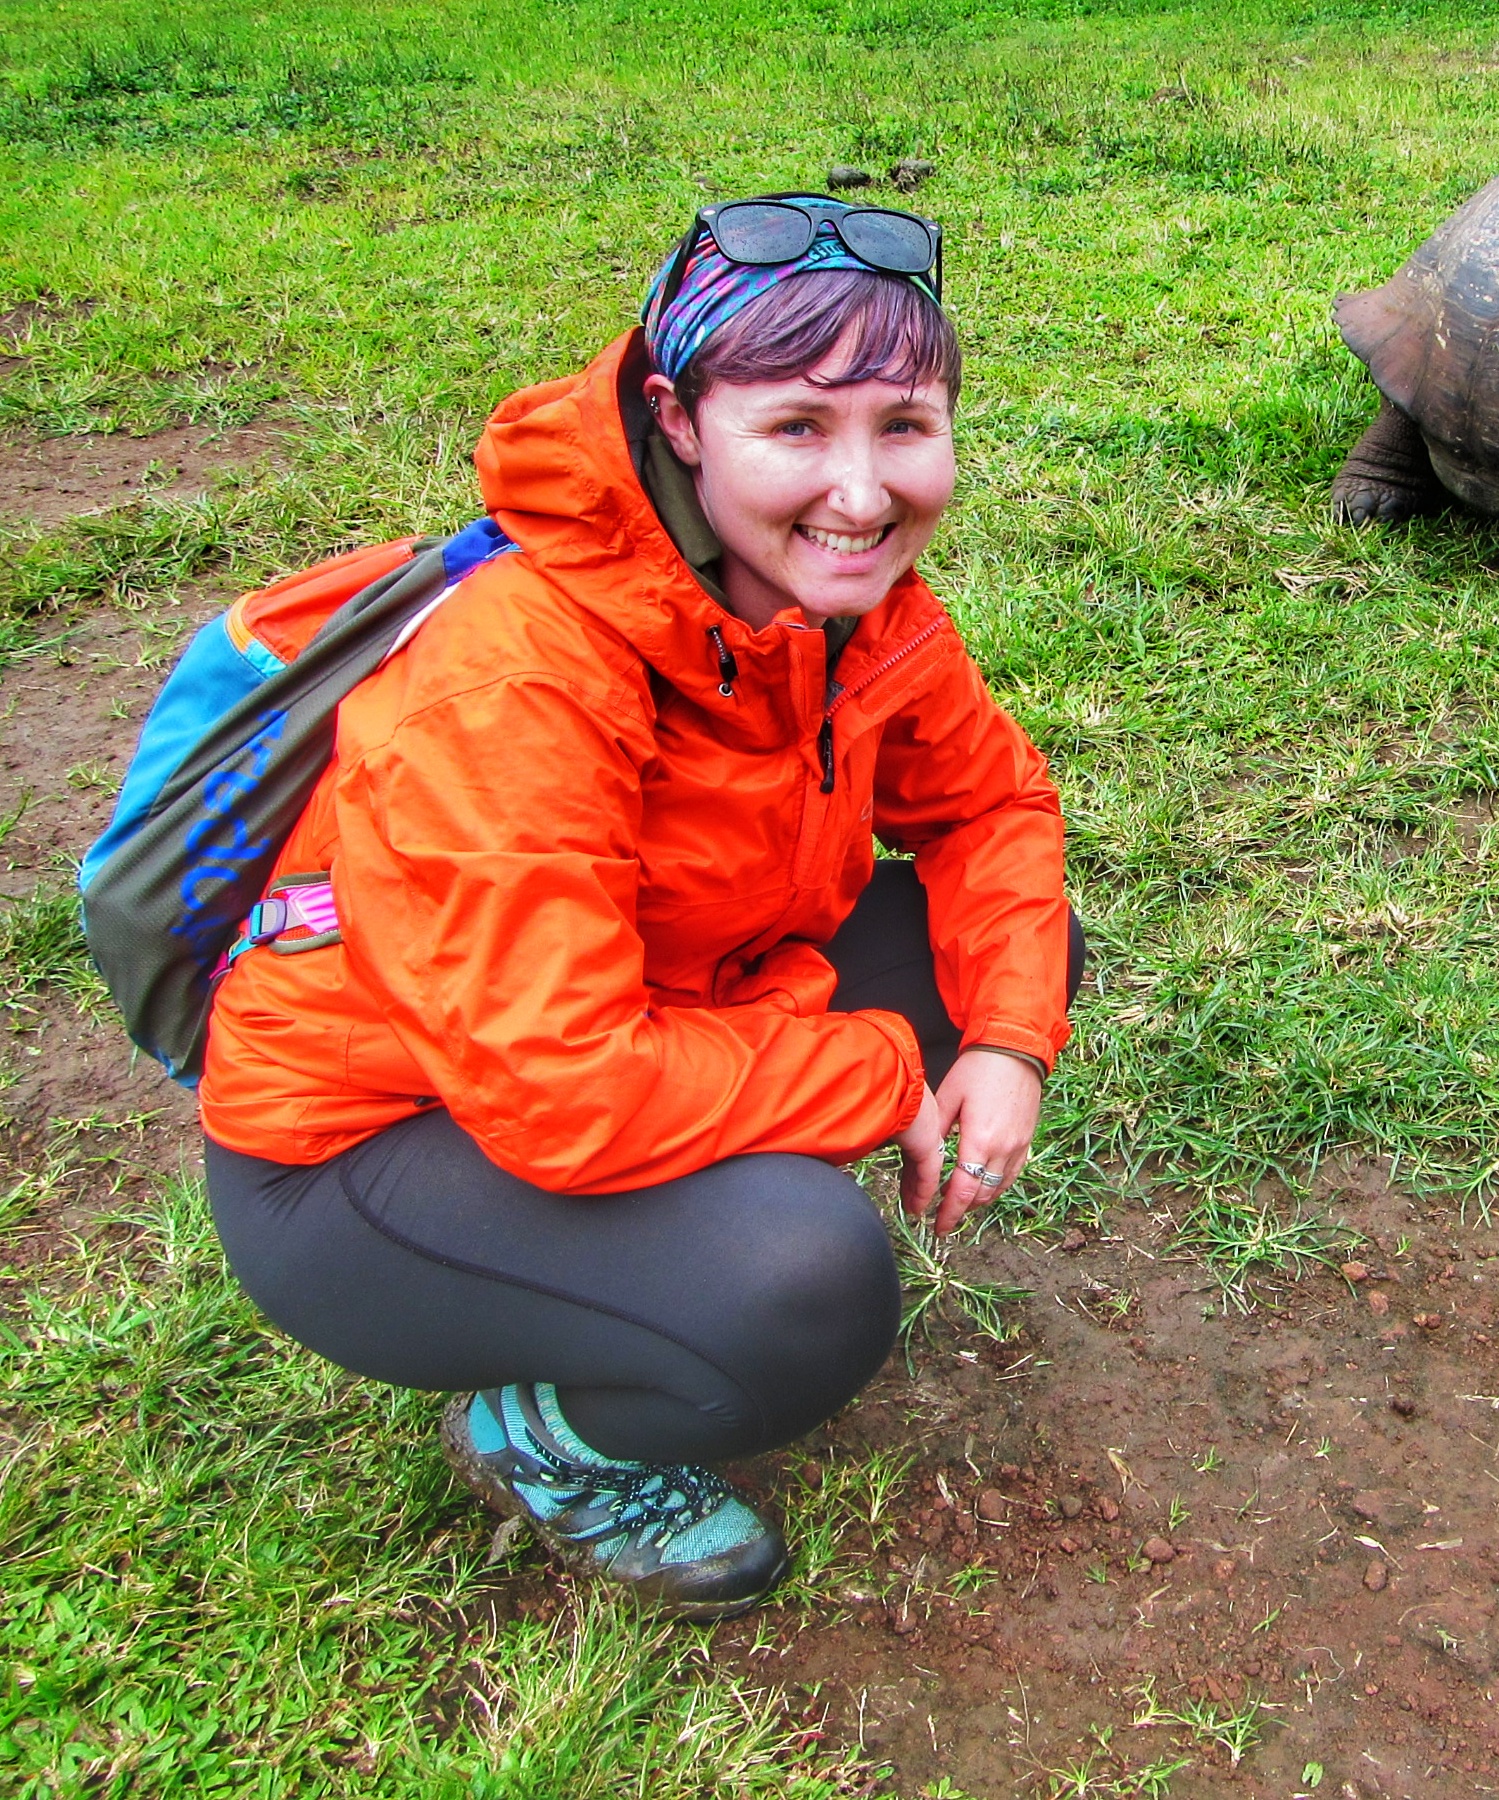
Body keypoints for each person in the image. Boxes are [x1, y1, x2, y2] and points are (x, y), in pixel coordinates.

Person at [194, 194, 1082, 1620]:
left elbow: (988, 809)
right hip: (373, 1146)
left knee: (1003, 960)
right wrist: (873, 1069)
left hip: (646, 1006)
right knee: (800, 1278)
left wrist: (1008, 1043)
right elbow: (560, 1086)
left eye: (903, 426)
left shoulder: (856, 607)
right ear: (677, 421)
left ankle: (669, 1228)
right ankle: (548, 1436)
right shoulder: (522, 674)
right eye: (797, 427)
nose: (863, 493)